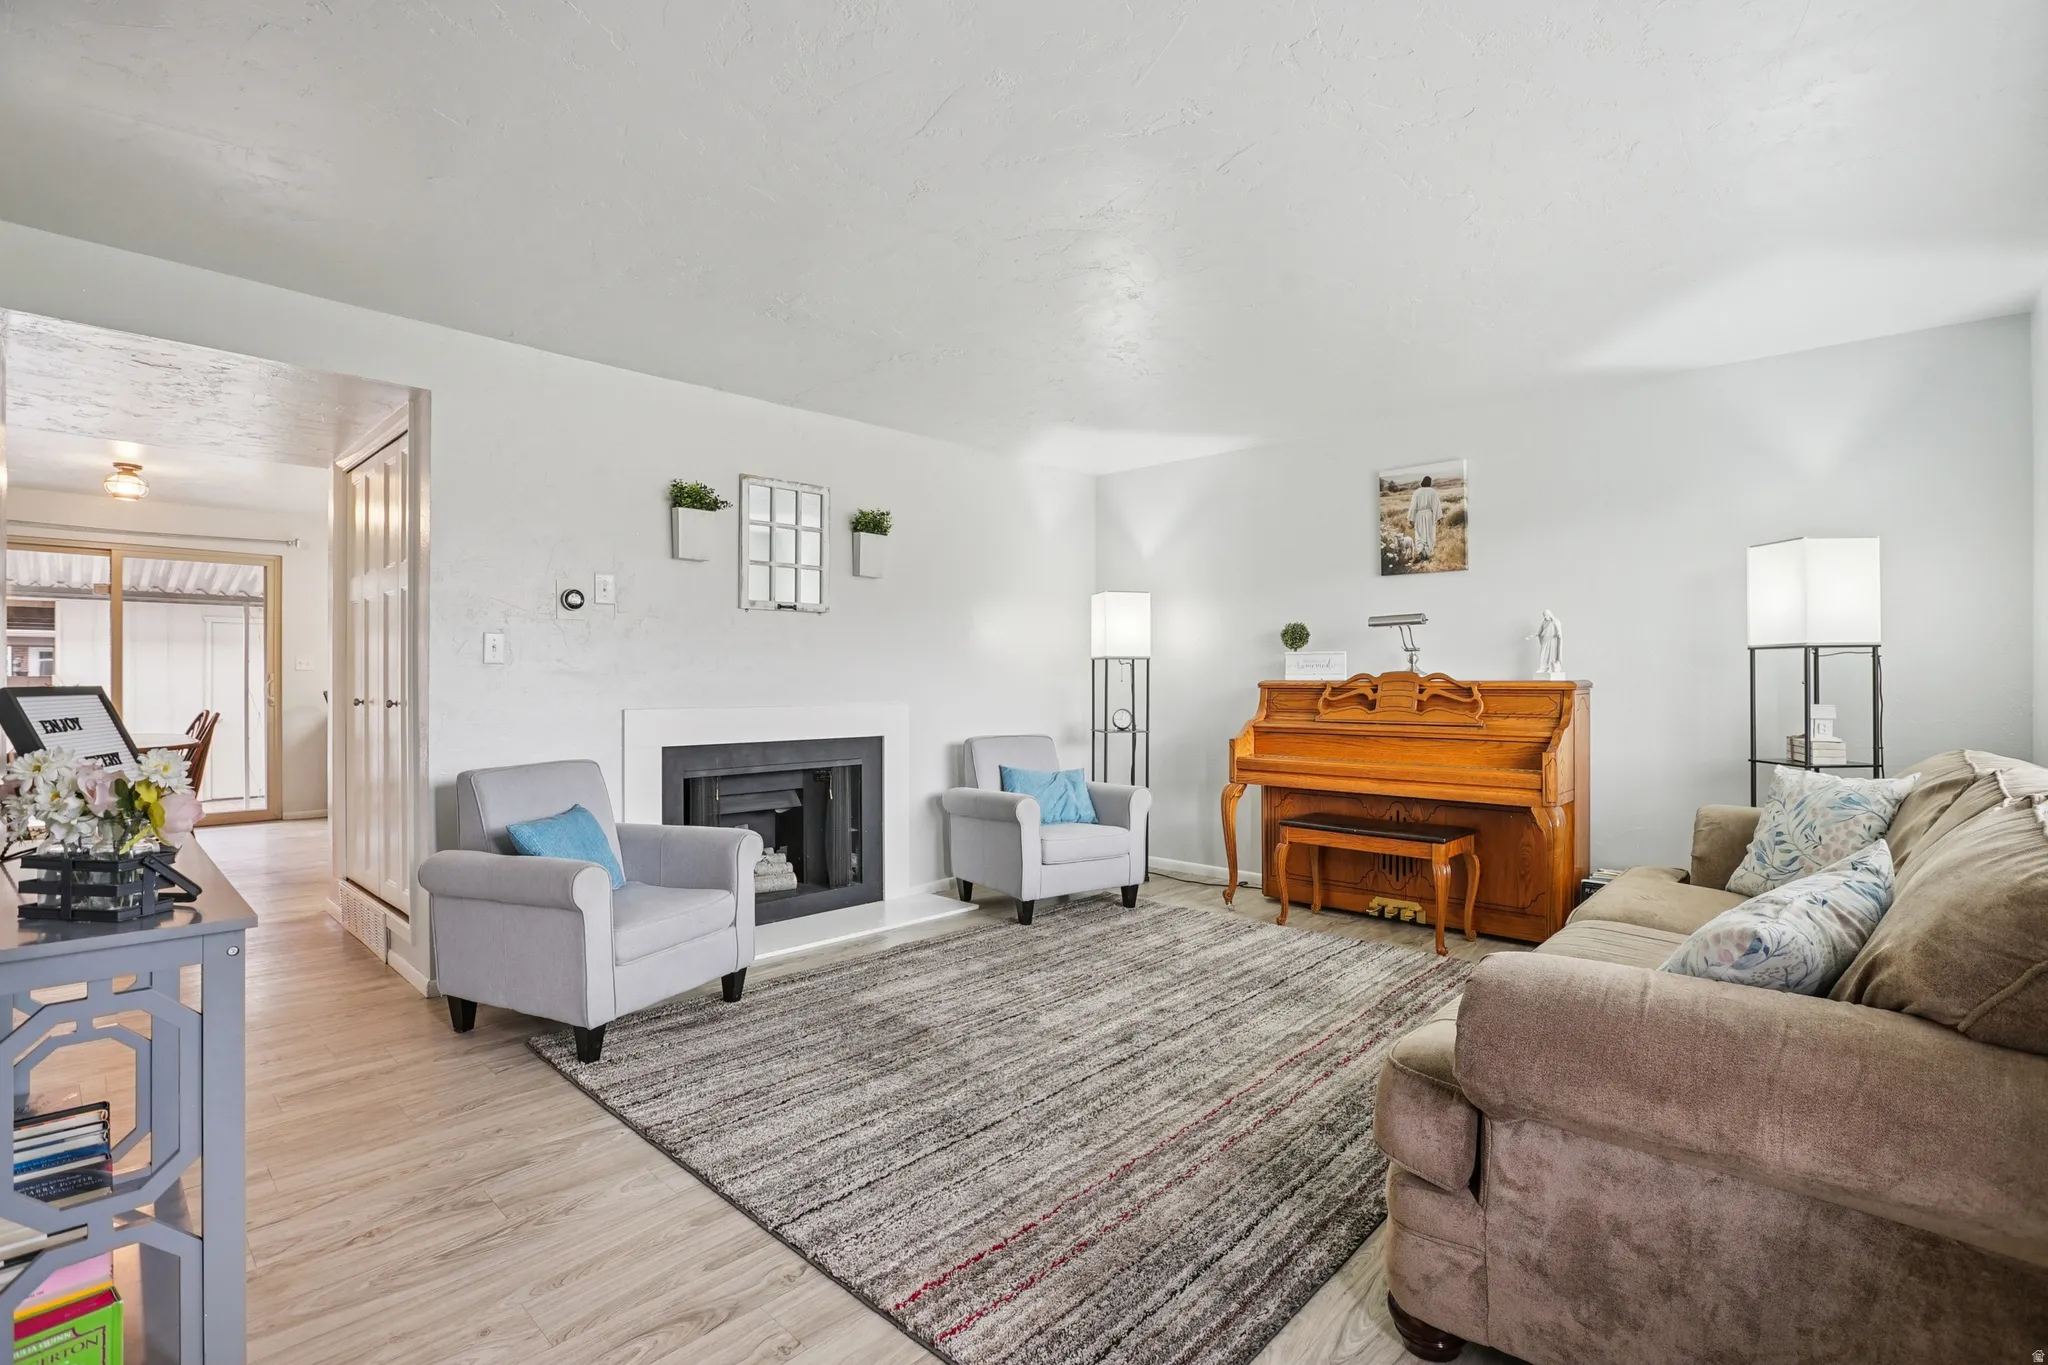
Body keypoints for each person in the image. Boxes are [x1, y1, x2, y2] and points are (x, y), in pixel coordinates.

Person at [1408, 474, 1443, 560]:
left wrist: (1411, 518)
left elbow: (1413, 506)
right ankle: (1428, 553)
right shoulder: (1432, 492)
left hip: (1419, 515)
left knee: (1419, 533)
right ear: (1430, 483)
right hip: (1429, 515)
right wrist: (1438, 517)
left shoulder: (1416, 492)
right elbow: (1436, 505)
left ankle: (1420, 551)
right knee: (1429, 534)